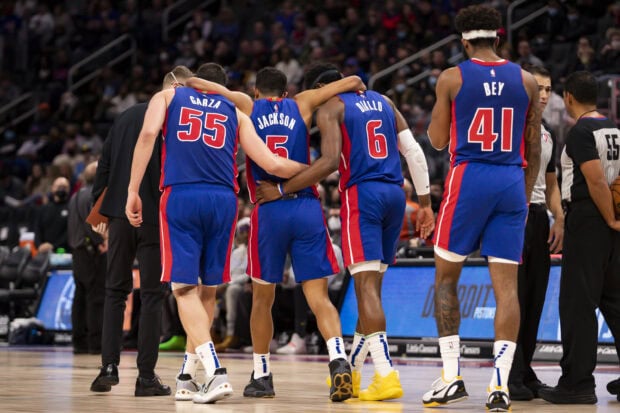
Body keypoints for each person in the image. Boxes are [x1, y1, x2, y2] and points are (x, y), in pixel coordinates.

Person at [125, 63, 307, 404]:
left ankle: (214, 372)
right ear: (221, 86)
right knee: (207, 292)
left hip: (181, 195)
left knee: (182, 290)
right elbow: (273, 164)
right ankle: (186, 376)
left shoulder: (169, 96)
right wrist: (312, 169)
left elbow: (148, 135)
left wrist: (133, 190)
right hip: (224, 201)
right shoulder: (236, 112)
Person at [256, 62, 435, 401]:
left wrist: (282, 190)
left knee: (365, 288)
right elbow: (413, 150)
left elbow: (328, 162)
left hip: (363, 196)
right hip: (396, 193)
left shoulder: (332, 107)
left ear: (324, 88)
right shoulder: (385, 101)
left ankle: (385, 374)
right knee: (371, 288)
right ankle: (352, 371)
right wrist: (425, 202)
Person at [187, 66, 365, 401]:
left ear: (257, 91)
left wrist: (185, 83)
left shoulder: (248, 105)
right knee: (319, 297)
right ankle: (339, 359)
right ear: (285, 92)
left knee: (262, 298)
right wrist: (359, 88)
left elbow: (203, 85)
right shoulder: (302, 103)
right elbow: (354, 81)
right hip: (306, 207)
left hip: (269, 209)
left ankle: (262, 374)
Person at [423, 5, 541, 411]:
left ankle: (451, 375)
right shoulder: (526, 80)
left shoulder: (453, 77)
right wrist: (523, 195)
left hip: (470, 177)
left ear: (463, 40)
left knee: (445, 279)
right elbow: (536, 147)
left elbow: (438, 141)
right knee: (507, 289)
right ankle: (500, 385)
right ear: (499, 36)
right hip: (511, 178)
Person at [89, 66, 193, 397]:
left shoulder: (124, 117)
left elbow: (103, 167)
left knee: (114, 291)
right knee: (151, 295)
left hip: (120, 213)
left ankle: (108, 367)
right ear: (174, 87)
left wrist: (102, 214)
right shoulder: (174, 119)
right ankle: (145, 376)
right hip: (154, 214)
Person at [539, 71, 620, 405]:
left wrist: (610, 219)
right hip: (612, 221)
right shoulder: (615, 128)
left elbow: (597, 181)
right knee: (615, 301)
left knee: (577, 304)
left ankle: (577, 383)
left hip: (590, 220)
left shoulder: (581, 131)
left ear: (568, 97)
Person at [509, 65, 564, 401]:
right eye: (539, 88)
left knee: (534, 300)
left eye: (548, 89)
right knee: (514, 300)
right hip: (514, 217)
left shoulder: (547, 133)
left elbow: (552, 183)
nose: (544, 95)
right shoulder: (512, 127)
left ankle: (524, 370)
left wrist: (560, 218)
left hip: (540, 218)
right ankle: (510, 373)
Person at [67, 161, 106, 355]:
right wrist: (102, 241)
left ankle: (78, 342)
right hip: (91, 251)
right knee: (96, 298)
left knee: (80, 298)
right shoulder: (94, 195)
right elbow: (93, 222)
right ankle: (95, 344)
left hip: (77, 251)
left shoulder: (75, 195)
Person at [34, 176, 71, 253]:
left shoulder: (72, 208)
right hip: (43, 252)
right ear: (52, 188)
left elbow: (70, 231)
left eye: (64, 187)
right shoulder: (43, 209)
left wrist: (53, 246)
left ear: (69, 189)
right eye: (59, 187)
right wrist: (39, 245)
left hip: (64, 252)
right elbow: (37, 229)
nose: (61, 189)